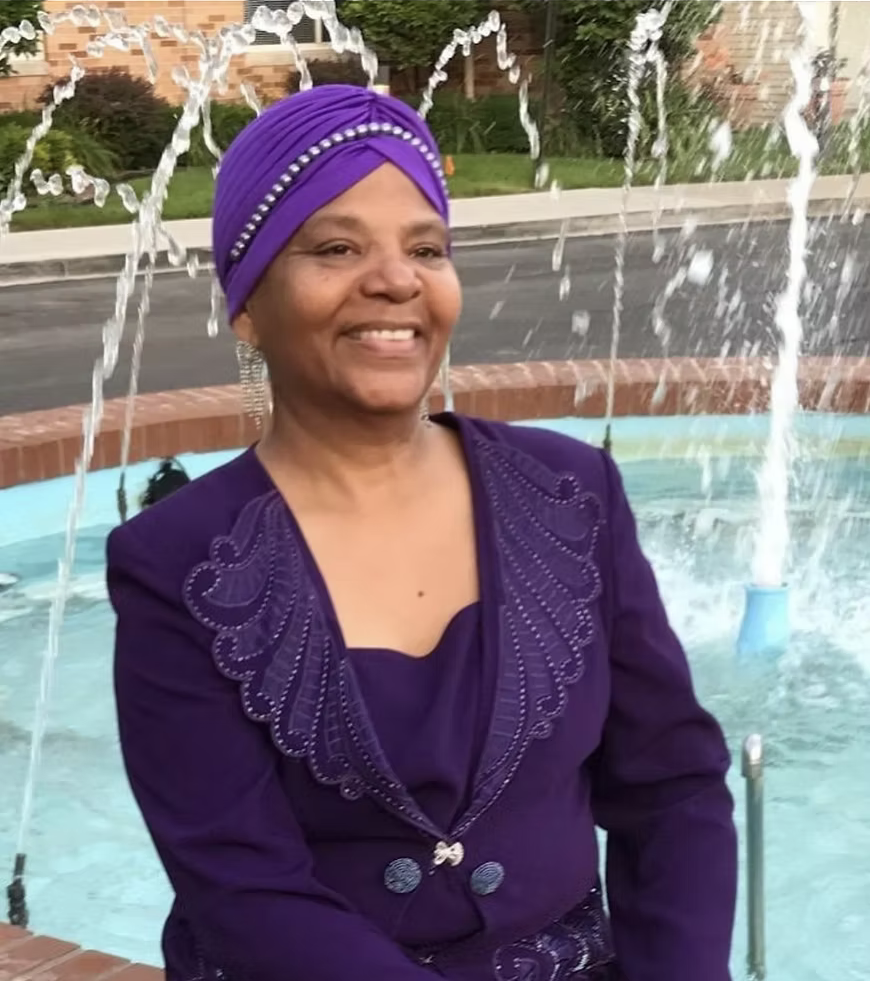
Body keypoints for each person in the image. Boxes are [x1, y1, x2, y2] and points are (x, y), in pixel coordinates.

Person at [107, 84, 737, 981]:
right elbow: (243, 885)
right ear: (247, 304)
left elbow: (672, 788)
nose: (396, 280)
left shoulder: (571, 493)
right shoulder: (177, 563)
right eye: (336, 247)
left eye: (426, 248)